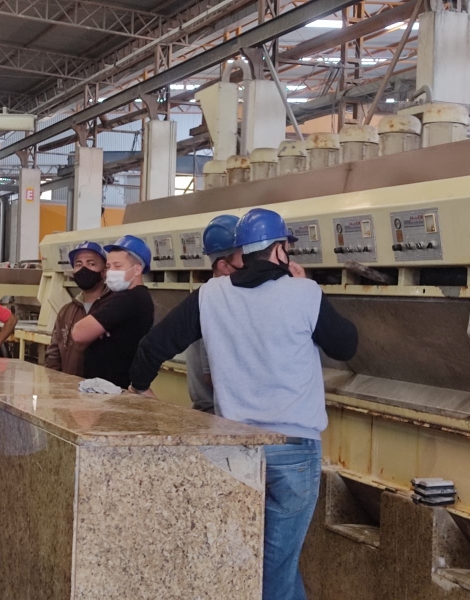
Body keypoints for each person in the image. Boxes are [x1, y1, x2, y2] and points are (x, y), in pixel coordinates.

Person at [128, 208, 358, 600]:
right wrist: (306, 288)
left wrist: (140, 390)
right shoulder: (304, 293)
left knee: (251, 565)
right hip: (294, 449)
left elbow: (152, 347)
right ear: (279, 250)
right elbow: (346, 346)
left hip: (235, 449)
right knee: (275, 572)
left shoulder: (211, 295)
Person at [71, 235, 154, 389]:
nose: (111, 272)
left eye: (118, 266)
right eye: (109, 267)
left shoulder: (128, 298)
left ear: (137, 270)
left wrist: (94, 330)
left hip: (113, 390)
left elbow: (78, 333)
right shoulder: (132, 297)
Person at [186, 215, 244, 414]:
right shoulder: (214, 301)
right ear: (224, 265)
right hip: (215, 416)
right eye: (245, 256)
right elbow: (212, 376)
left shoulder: (208, 296)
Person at [44, 241, 110, 376]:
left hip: (104, 393)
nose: (83, 269)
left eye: (91, 263)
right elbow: (53, 354)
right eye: (78, 264)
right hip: (69, 391)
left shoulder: (114, 308)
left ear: (104, 272)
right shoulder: (66, 311)